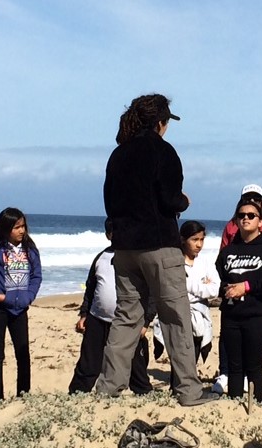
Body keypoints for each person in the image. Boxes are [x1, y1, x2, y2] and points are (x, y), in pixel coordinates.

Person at [96, 93, 213, 407]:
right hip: (159, 243)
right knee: (175, 315)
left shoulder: (118, 155)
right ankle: (189, 390)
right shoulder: (164, 151)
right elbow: (169, 198)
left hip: (124, 246)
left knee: (127, 316)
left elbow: (110, 202)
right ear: (161, 122)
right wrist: (183, 202)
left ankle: (109, 387)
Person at [68, 218, 152, 395]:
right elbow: (91, 288)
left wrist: (145, 322)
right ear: (109, 235)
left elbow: (151, 292)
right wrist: (84, 314)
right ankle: (76, 394)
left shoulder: (138, 258)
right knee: (89, 362)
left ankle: (143, 394)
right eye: (116, 231)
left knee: (135, 363)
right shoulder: (101, 258)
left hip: (129, 322)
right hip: (97, 319)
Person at [212, 184, 262, 394]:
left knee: (253, 367)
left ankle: (257, 406)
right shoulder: (229, 250)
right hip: (231, 315)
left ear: (260, 220)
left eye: (251, 215)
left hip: (256, 316)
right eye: (242, 215)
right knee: (234, 367)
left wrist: (247, 287)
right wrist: (226, 288)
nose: (246, 218)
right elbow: (217, 277)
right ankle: (234, 404)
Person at [0, 207, 41, 401]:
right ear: (5, 228)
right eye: (16, 227)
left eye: (23, 226)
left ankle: (23, 396)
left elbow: (36, 275)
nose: (21, 231)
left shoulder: (30, 250)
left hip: (20, 309)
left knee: (23, 353)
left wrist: (29, 296)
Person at [152, 220, 219, 364]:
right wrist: (201, 286)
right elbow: (167, 287)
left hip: (198, 318)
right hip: (176, 314)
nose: (199, 245)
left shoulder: (205, 262)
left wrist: (186, 284)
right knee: (178, 358)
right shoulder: (174, 262)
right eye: (194, 240)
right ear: (183, 239)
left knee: (192, 359)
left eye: (202, 240)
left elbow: (214, 290)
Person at [218, 184, 262, 249]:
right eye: (247, 198)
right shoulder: (231, 226)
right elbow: (223, 254)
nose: (252, 201)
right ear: (241, 201)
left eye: (256, 198)